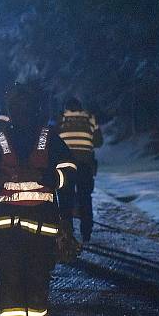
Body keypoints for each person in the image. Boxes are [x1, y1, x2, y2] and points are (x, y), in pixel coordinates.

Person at [0, 82, 77, 316]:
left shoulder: (50, 139)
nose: (21, 113)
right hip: (9, 228)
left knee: (35, 281)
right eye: (17, 108)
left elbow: (69, 175)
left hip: (39, 228)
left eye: (25, 108)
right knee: (11, 280)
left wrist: (53, 179)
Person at [58, 97, 103, 243]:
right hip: (85, 164)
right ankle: (86, 232)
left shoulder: (60, 118)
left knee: (65, 198)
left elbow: (52, 140)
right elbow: (98, 142)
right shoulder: (90, 118)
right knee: (85, 198)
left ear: (66, 107)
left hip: (66, 165)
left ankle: (67, 231)